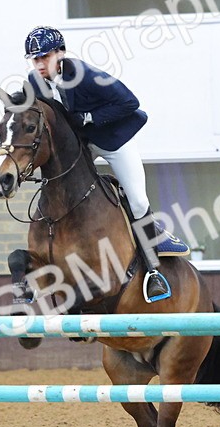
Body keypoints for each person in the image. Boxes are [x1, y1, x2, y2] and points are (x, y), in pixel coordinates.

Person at [22, 25, 188, 303]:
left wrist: (88, 118)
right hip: (82, 146)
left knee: (137, 201)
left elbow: (129, 102)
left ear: (60, 54)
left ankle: (153, 270)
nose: (39, 64)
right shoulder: (34, 82)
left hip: (113, 141)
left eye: (44, 57)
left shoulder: (86, 75)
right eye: (34, 59)